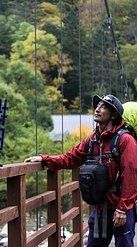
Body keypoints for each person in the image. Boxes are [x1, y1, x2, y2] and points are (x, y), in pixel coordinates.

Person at [24, 94, 137, 247]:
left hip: (120, 208)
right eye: (97, 106)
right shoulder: (92, 140)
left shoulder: (125, 140)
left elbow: (131, 175)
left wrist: (123, 209)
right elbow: (71, 158)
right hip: (100, 208)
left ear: (114, 115)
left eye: (103, 107)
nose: (97, 109)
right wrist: (44, 159)